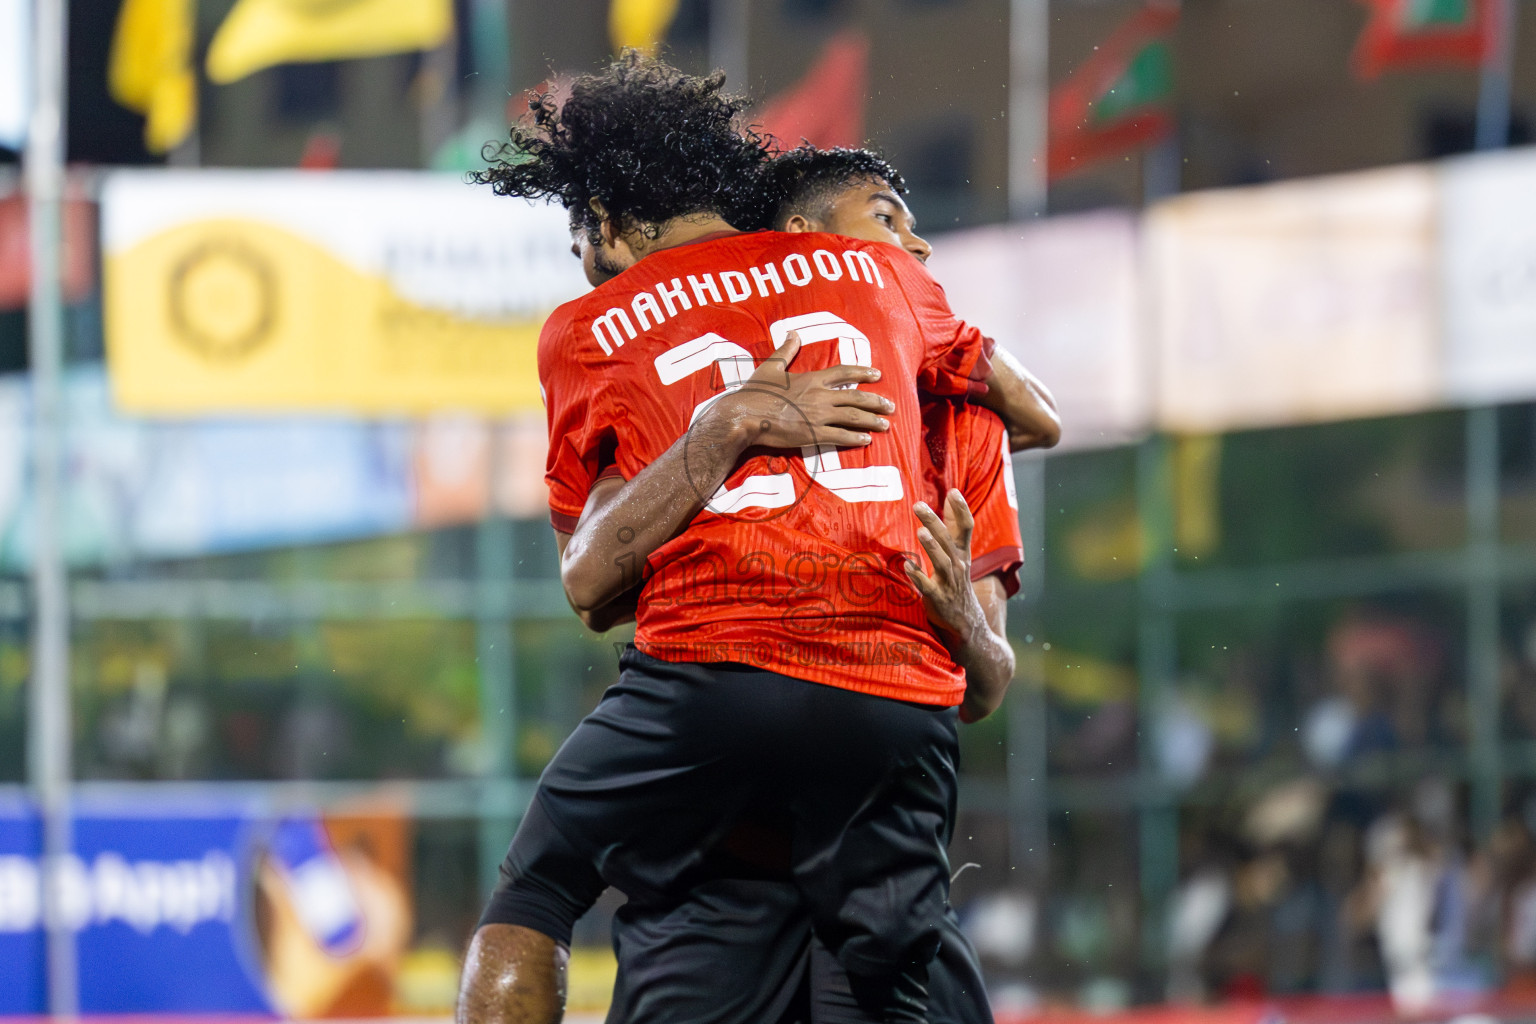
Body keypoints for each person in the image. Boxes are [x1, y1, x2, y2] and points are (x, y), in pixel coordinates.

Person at [459, 54, 1050, 1024]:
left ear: (606, 220)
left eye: (583, 246)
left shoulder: (591, 325)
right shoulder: (885, 286)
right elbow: (1025, 404)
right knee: (892, 976)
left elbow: (594, 583)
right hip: (894, 689)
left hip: (713, 674)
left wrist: (721, 433)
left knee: (536, 888)